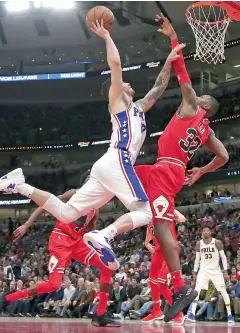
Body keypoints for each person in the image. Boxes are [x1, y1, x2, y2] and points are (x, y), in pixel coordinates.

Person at [0, 21, 184, 271]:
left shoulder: (138, 108)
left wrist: (169, 60)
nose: (130, 84)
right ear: (116, 89)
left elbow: (157, 89)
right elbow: (116, 65)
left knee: (67, 214)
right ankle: (104, 235)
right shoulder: (117, 104)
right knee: (146, 211)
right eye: (125, 83)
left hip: (106, 168)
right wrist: (108, 37)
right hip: (118, 160)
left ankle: (18, 185)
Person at [91, 13, 229, 322]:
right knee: (117, 175)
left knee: (163, 225)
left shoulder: (193, 106)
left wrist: (172, 37)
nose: (195, 96)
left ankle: (180, 286)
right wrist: (202, 171)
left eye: (201, 97)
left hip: (168, 171)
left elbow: (182, 75)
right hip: (164, 169)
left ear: (203, 105)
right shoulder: (209, 133)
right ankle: (101, 228)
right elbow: (224, 158)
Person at [0, 175, 121, 327]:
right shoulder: (73, 194)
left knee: (107, 265)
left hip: (78, 242)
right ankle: (6, 299)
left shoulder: (95, 209)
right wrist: (27, 224)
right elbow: (44, 203)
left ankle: (100, 314)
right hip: (61, 240)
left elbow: (91, 231)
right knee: (54, 285)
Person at [188, 225, 234, 323]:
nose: (205, 232)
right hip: (203, 270)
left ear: (210, 232)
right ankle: (192, 314)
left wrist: (225, 271)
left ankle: (230, 315)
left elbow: (223, 257)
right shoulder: (198, 243)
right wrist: (194, 273)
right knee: (196, 290)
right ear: (202, 233)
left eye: (207, 231)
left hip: (216, 271)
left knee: (223, 292)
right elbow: (197, 259)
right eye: (203, 231)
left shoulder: (217, 242)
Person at [143, 224, 185, 325]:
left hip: (169, 251)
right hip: (157, 252)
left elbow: (182, 218)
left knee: (161, 285)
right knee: (152, 282)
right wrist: (147, 243)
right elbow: (150, 232)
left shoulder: (165, 213)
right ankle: (157, 311)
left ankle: (179, 313)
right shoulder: (149, 220)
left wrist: (177, 214)